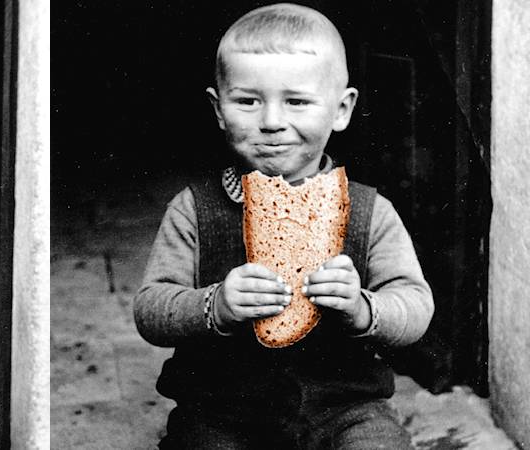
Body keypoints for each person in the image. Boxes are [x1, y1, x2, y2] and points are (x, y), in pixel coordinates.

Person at [133, 3, 434, 448]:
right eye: (248, 101)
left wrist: (363, 307)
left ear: (341, 109)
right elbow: (151, 310)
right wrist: (213, 305)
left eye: (296, 101)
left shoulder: (371, 211)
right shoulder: (194, 210)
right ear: (219, 110)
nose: (272, 122)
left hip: (344, 409)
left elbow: (414, 306)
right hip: (221, 410)